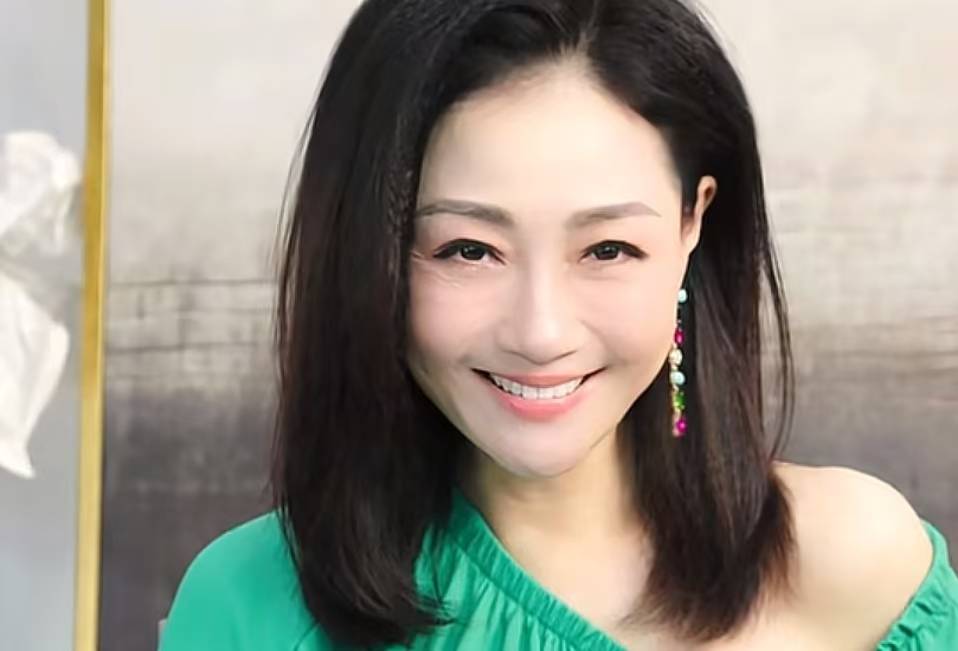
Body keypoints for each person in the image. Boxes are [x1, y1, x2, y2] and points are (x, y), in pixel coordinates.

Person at [158, 1, 958, 649]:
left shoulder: (855, 567)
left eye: (607, 248)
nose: (540, 332)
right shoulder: (253, 607)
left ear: (692, 224)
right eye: (469, 250)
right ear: (370, 249)